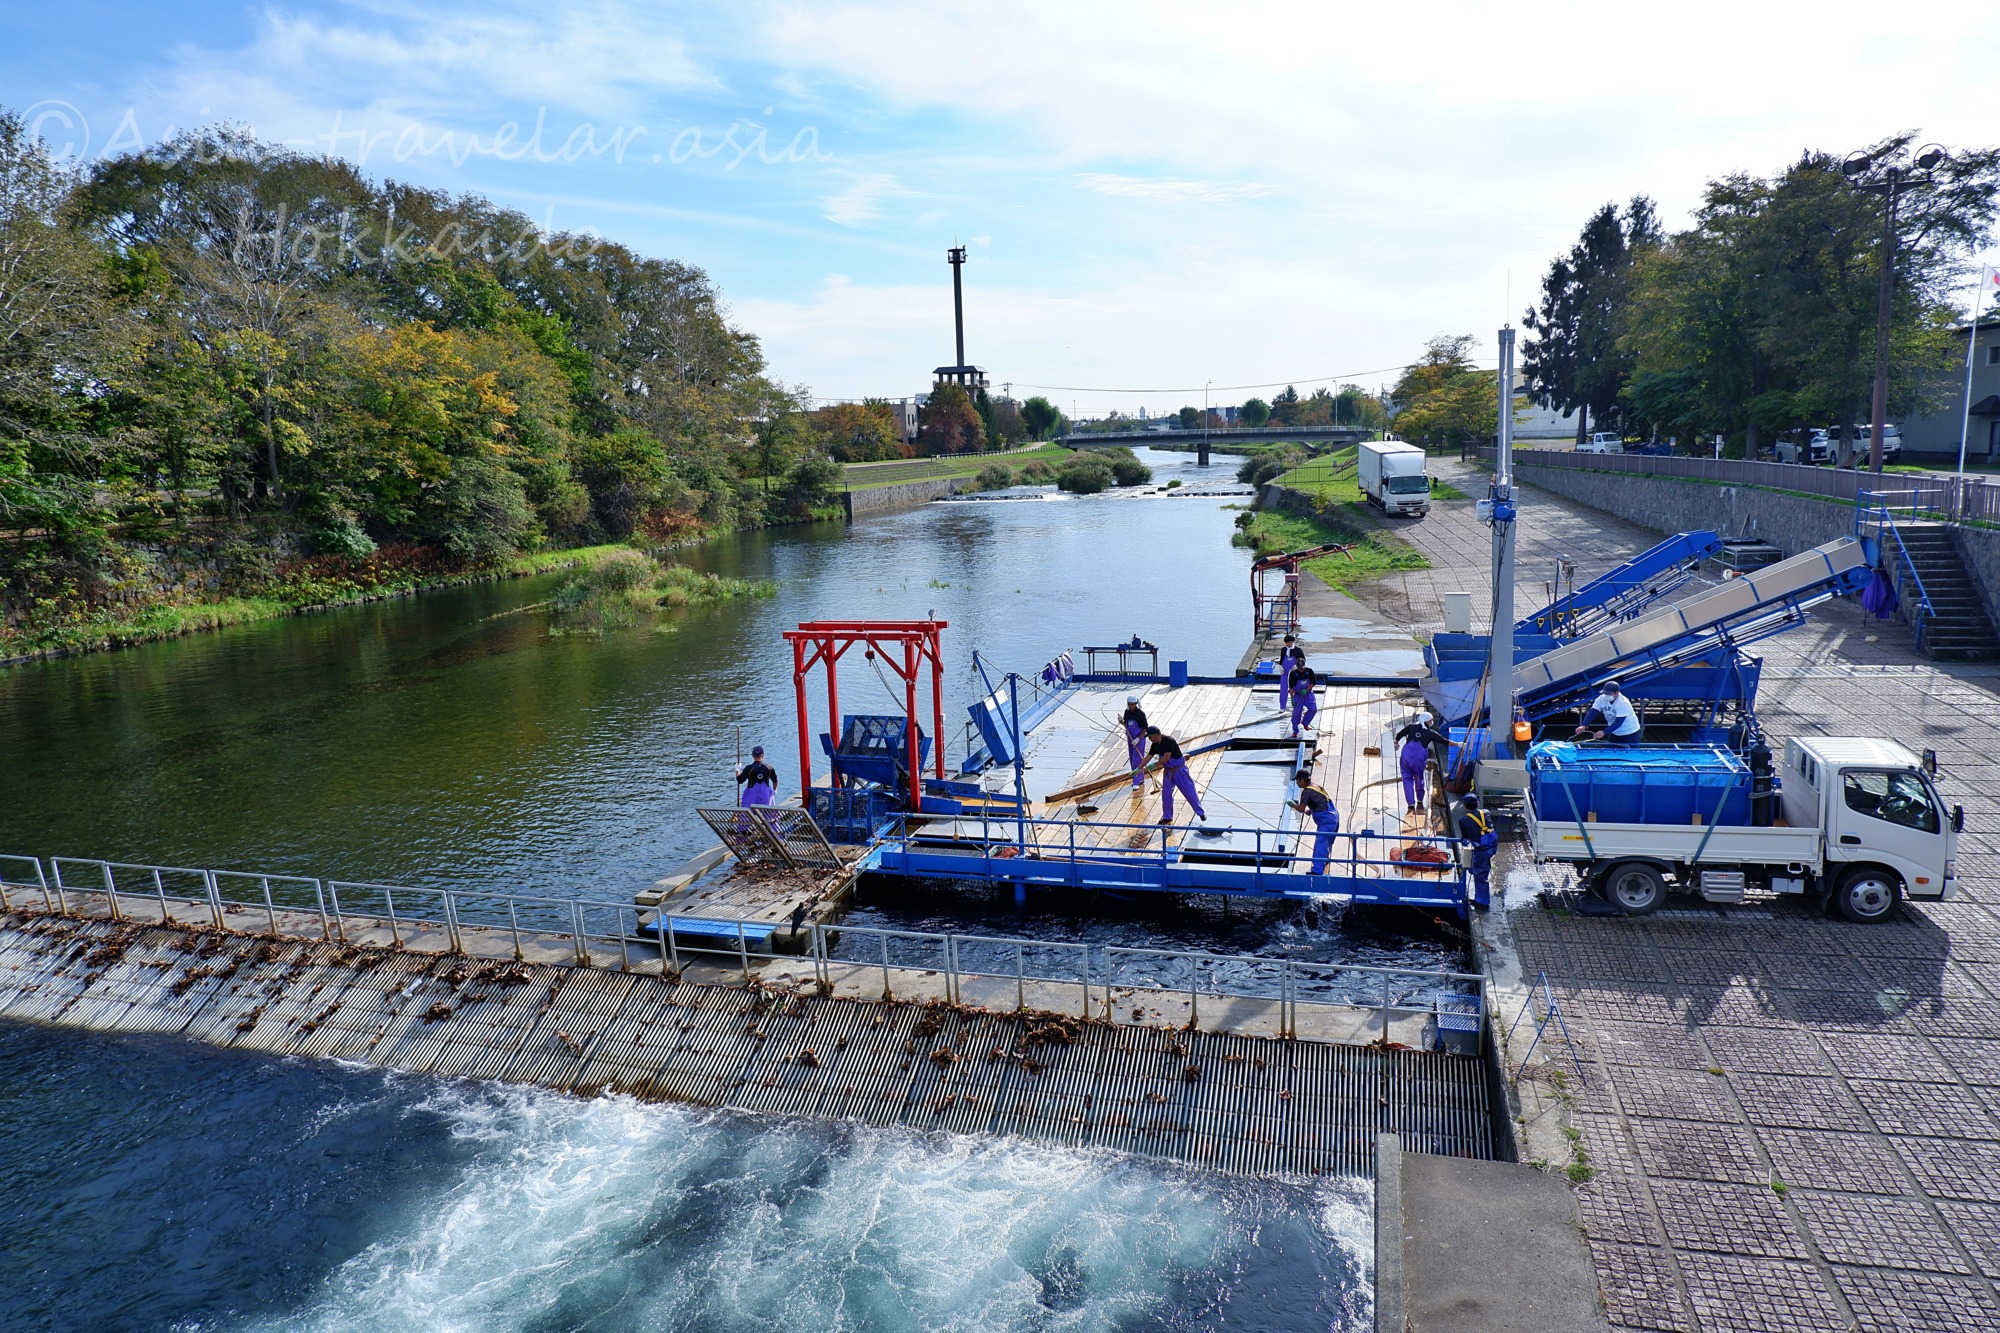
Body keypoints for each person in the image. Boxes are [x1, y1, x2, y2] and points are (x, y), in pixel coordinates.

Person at [1144, 726, 1207, 825]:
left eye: (1150, 737)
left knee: (1189, 791)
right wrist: (1138, 768)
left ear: (1156, 735)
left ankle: (1200, 812)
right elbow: (1148, 756)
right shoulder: (1155, 745)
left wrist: (1154, 765)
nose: (1149, 739)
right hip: (1168, 771)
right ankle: (1167, 817)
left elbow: (1166, 757)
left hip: (1179, 770)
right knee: (1166, 794)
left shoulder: (1169, 741)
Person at [1290, 769, 1341, 874]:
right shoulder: (1316, 786)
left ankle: (1317, 871)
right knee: (1327, 843)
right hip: (1334, 816)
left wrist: (1292, 805)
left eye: (1297, 781)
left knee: (1320, 844)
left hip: (1326, 821)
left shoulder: (1306, 792)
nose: (1297, 783)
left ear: (1302, 780)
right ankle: (1325, 862)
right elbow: (1320, 802)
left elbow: (1300, 809)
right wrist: (1311, 811)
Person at [1394, 710, 1445, 813]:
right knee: (1419, 778)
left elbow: (1399, 734)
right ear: (1427, 722)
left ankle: (1411, 804)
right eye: (1431, 720)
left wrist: (1396, 743)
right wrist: (1458, 744)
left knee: (1407, 779)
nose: (1432, 722)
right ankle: (1420, 800)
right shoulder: (1430, 733)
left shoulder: (1411, 727)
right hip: (1418, 760)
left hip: (1405, 757)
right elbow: (1444, 741)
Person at [1456, 791, 1498, 911]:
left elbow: (1465, 837)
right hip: (1492, 846)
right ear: (1477, 803)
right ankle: (1480, 896)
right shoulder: (1486, 813)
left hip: (1481, 850)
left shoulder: (1463, 820)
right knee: (1480, 870)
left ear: (1465, 806)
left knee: (1480, 875)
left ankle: (1482, 902)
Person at [1573, 679, 1642, 745]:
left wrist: (1603, 732)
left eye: (1609, 694)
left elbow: (1618, 722)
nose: (1606, 695)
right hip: (1614, 732)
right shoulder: (1601, 699)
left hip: (1630, 733)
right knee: (1612, 753)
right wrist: (1584, 725)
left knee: (1630, 755)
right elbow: (1593, 712)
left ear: (1616, 692)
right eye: (1605, 693)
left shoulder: (1623, 703)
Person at [1120, 695, 1149, 792]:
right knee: (1132, 758)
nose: (1131, 706)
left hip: (1138, 739)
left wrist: (1138, 739)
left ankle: (1136, 781)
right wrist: (1121, 722)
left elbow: (1145, 728)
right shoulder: (1127, 712)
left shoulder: (1140, 714)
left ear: (1136, 704)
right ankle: (1140, 778)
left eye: (1132, 704)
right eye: (1129, 704)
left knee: (1137, 760)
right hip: (1130, 737)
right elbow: (1126, 723)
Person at [1288, 661, 1319, 737]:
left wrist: (1307, 690)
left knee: (1313, 709)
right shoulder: (1293, 674)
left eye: (1302, 667)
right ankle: (1295, 730)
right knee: (1296, 713)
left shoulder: (1309, 671)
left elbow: (1313, 683)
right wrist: (1292, 698)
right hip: (1298, 694)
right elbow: (1291, 688)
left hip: (1308, 693)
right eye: (1299, 668)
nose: (1301, 669)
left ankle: (1305, 722)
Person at [1276, 634, 1304, 712]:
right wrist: (1280, 666)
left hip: (1295, 671)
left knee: (1297, 688)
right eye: (1286, 643)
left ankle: (1299, 705)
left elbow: (1303, 660)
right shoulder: (1283, 650)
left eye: (1289, 642)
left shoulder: (1298, 650)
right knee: (1283, 688)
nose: (1288, 644)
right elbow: (1282, 659)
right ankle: (1282, 707)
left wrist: (1297, 666)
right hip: (1285, 672)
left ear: (1292, 642)